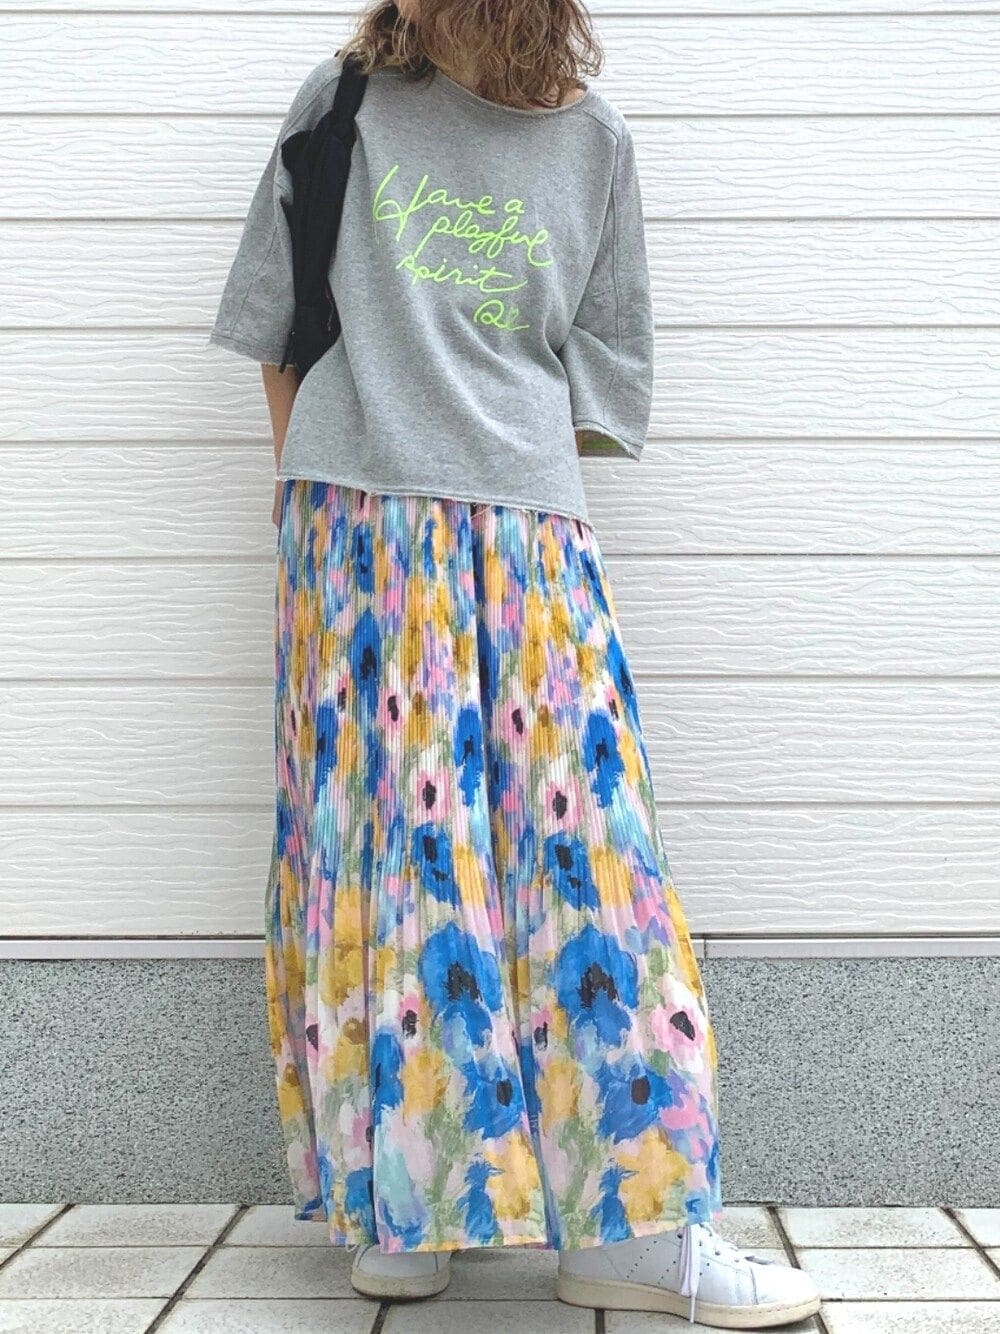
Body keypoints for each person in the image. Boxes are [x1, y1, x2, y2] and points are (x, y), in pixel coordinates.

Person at [207, 1, 822, 1326]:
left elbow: (601, 379)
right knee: (386, 856)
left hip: (529, 538)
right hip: (356, 533)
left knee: (591, 857)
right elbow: (278, 332)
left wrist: (491, 468)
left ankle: (635, 1232)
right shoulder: (342, 107)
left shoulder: (593, 145)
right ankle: (409, 1198)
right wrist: (320, 500)